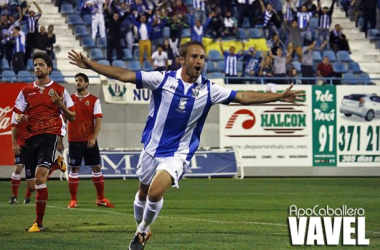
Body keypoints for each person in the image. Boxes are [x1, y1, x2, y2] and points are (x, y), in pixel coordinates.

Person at [68, 41, 305, 250]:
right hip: (151, 148)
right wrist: (90, 65)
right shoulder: (163, 80)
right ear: (182, 59)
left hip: (178, 154)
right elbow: (125, 75)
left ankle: (141, 231)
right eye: (194, 56)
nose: (199, 61)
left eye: (202, 57)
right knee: (142, 192)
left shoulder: (210, 90)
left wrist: (278, 97)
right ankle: (142, 227)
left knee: (155, 192)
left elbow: (242, 97)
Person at [14, 52, 76, 232]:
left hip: (50, 134)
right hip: (31, 137)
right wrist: (20, 117)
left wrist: (60, 104)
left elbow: (72, 116)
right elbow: (17, 114)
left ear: (49, 68)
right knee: (33, 185)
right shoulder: (26, 91)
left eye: (41, 64)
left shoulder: (59, 90)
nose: (37, 67)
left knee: (40, 177)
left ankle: (38, 224)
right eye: (35, 64)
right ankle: (56, 165)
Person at [66, 73, 114, 209]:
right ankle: (73, 200)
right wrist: (60, 138)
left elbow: (98, 120)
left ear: (86, 83)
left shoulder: (94, 100)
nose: (78, 83)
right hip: (74, 140)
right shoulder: (70, 100)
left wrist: (93, 137)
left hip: (89, 140)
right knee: (74, 168)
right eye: (76, 81)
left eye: (80, 80)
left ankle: (100, 199)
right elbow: (64, 119)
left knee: (96, 167)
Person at [9, 111, 67, 204]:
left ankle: (27, 198)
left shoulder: (42, 109)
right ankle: (14, 196)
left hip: (35, 144)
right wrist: (14, 144)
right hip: (22, 145)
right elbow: (14, 126)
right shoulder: (18, 110)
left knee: (38, 174)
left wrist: (59, 141)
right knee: (18, 168)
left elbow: (61, 123)